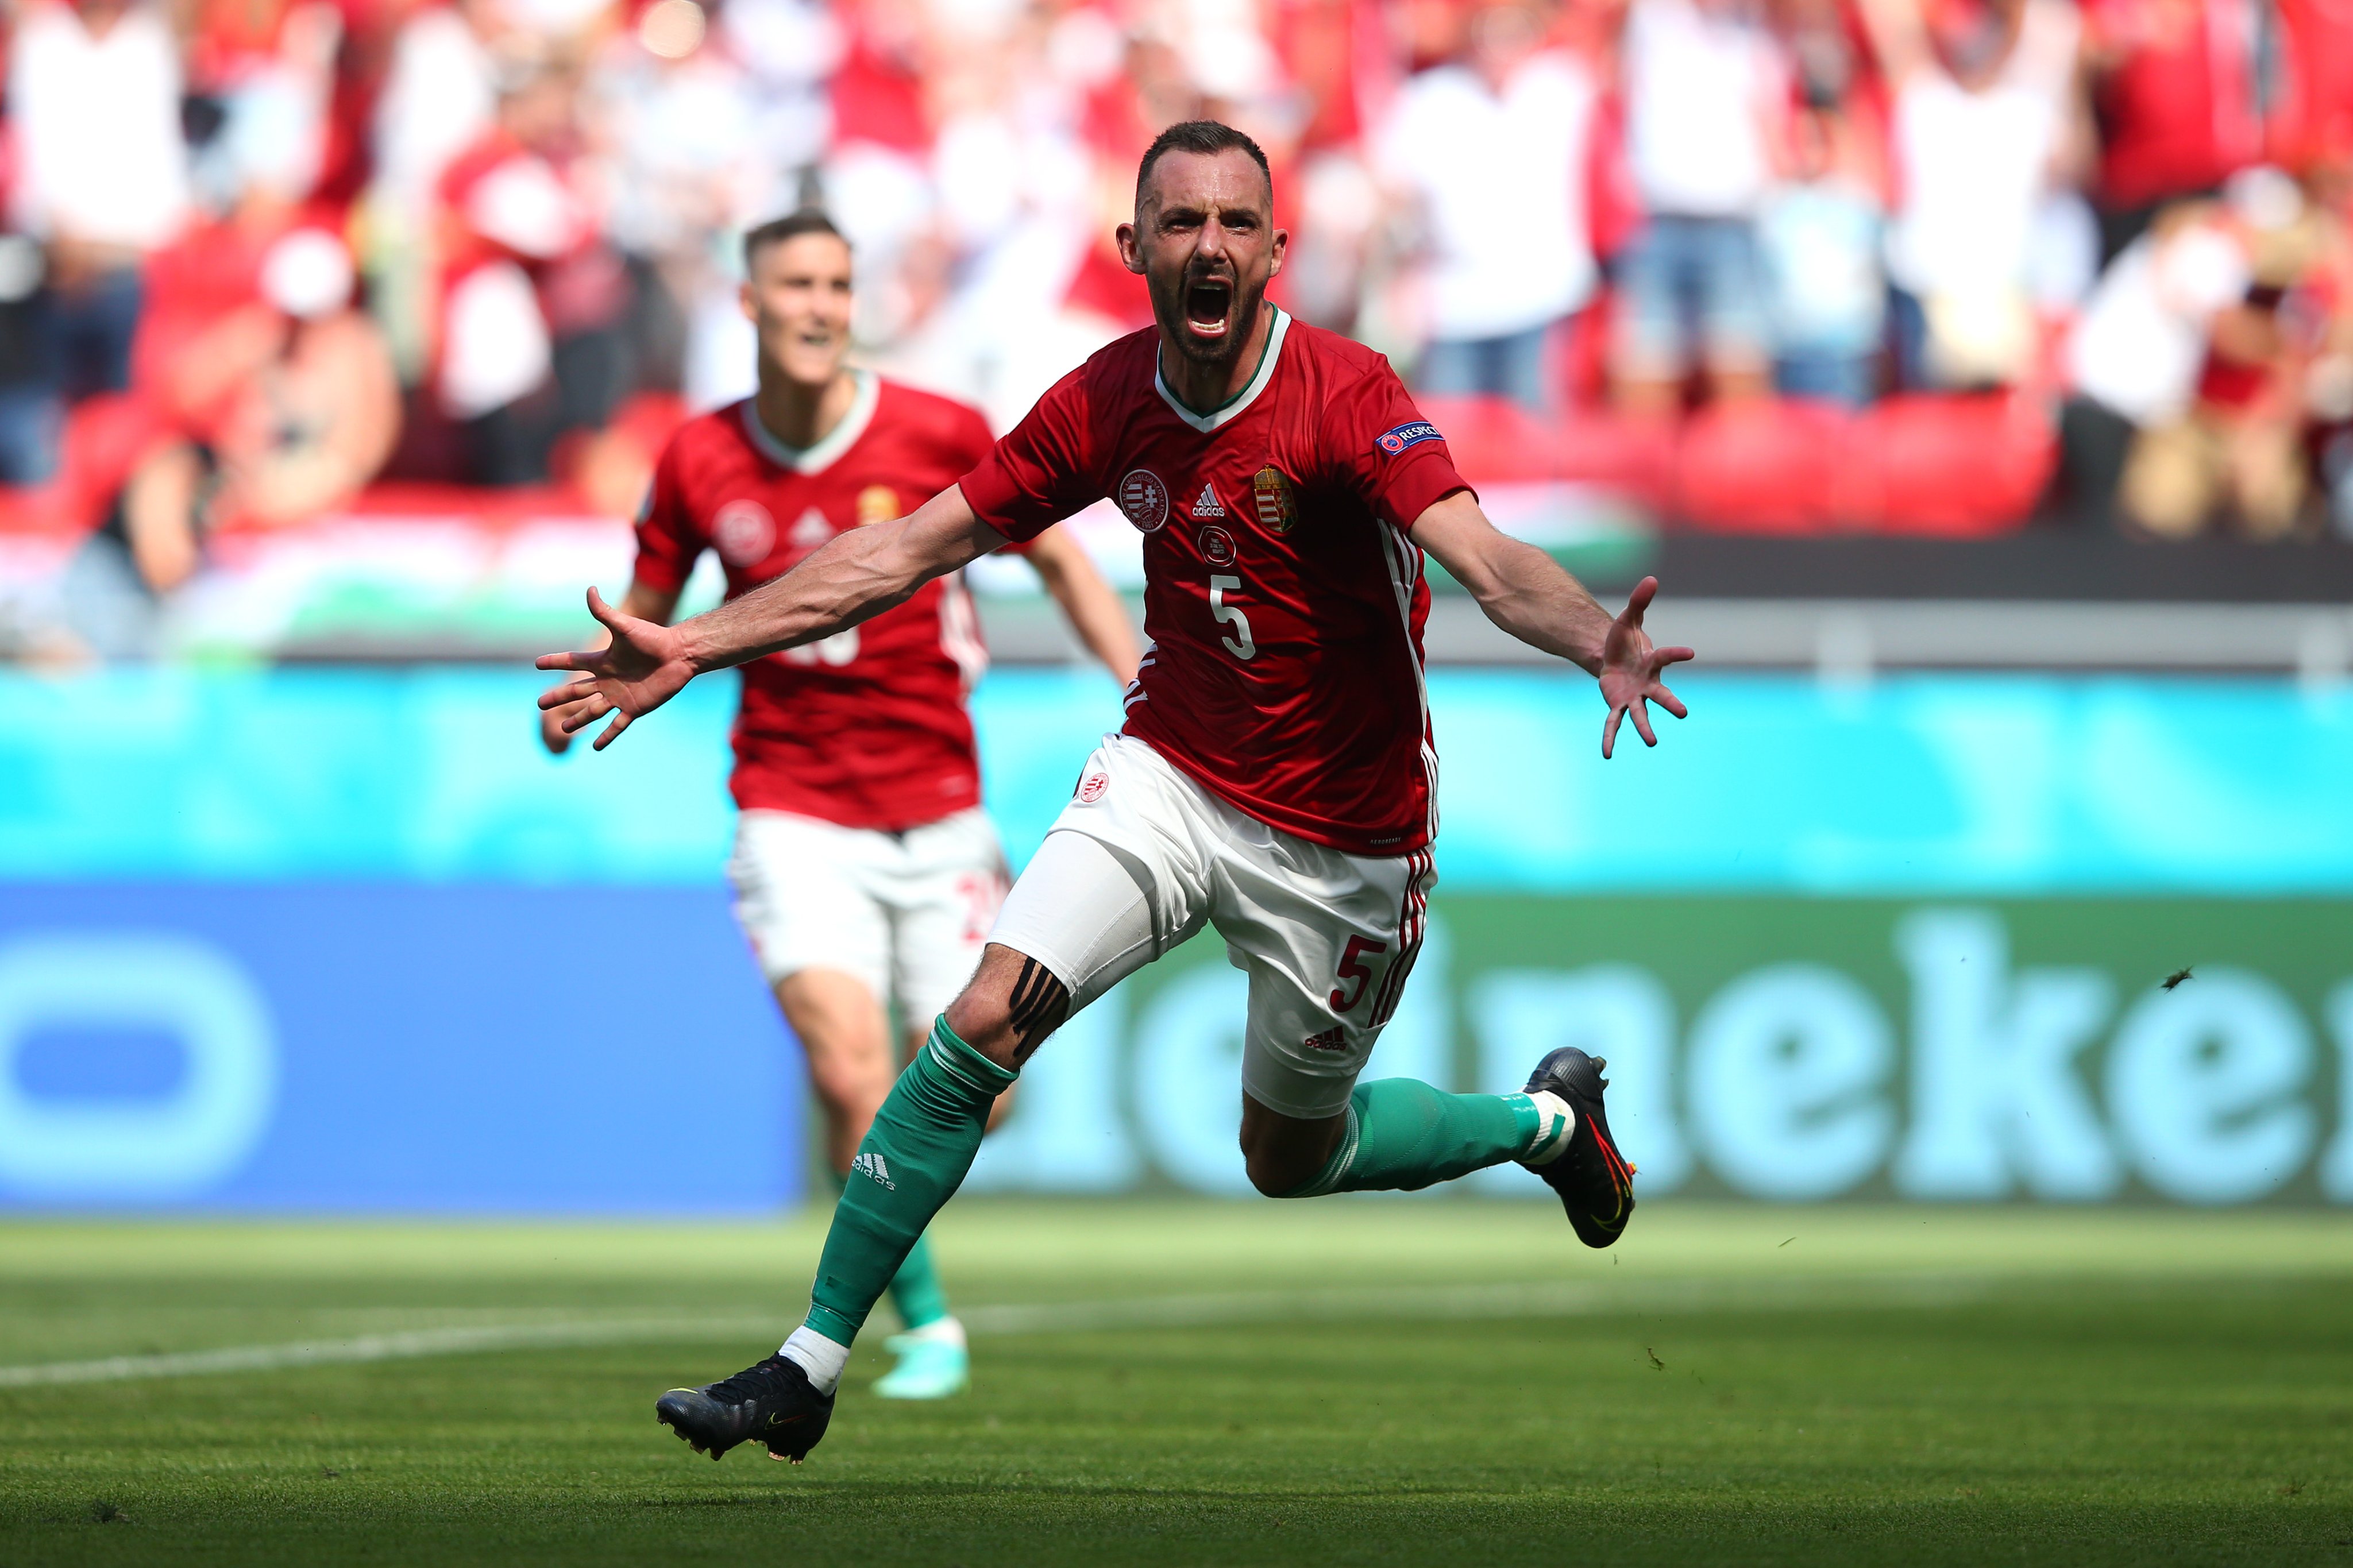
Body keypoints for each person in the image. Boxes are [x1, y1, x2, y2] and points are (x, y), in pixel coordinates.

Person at [536, 122, 1692, 1463]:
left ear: (1275, 250)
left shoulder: (1346, 392)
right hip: (1170, 776)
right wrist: (696, 642)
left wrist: (1592, 637)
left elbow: (1481, 558)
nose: (1210, 245)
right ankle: (807, 1367)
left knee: (1289, 1158)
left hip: (1344, 835)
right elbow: (901, 552)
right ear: (1133, 247)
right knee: (981, 1016)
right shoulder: (1101, 400)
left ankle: (1545, 1126)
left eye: (1235, 223)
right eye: (1182, 221)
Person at [538, 207, 1139, 1400]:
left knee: (973, 1088)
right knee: (848, 1064)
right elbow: (647, 623)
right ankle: (923, 1323)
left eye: (837, 284)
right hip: (790, 804)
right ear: (749, 304)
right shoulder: (699, 458)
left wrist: (1141, 684)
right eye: (797, 284)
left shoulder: (937, 429)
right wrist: (592, 692)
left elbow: (1059, 557)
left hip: (937, 802)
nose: (819, 305)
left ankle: (882, 1238)